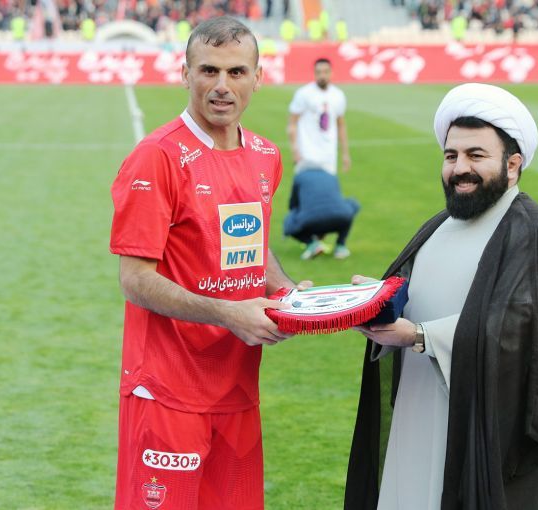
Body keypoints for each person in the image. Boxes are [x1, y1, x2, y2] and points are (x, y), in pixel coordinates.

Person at [344, 83, 538, 510]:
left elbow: (523, 333)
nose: (459, 168)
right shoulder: (437, 226)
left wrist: (420, 337)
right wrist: (374, 302)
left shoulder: (537, 232)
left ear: (513, 165)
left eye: (476, 155)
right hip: (416, 407)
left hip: (483, 428)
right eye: (451, 156)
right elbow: (412, 297)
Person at [109, 17, 309, 510]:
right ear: (186, 74)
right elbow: (135, 280)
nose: (222, 86)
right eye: (209, 71)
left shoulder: (264, 155)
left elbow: (252, 248)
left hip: (237, 389)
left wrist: (289, 296)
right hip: (168, 392)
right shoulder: (156, 157)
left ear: (257, 78)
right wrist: (227, 312)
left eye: (236, 72)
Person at [287, 58, 352, 258]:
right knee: (304, 202)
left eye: (325, 71)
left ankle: (316, 242)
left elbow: (340, 124)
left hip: (328, 157)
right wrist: (295, 150)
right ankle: (311, 240)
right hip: (307, 155)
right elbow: (292, 123)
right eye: (319, 72)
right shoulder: (304, 94)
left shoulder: (338, 96)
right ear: (314, 73)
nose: (322, 75)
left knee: (327, 199)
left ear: (331, 73)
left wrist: (345, 153)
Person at [283, 168, 360, 259]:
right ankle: (340, 246)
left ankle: (312, 244)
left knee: (290, 219)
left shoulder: (299, 177)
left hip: (311, 220)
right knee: (350, 206)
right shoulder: (331, 176)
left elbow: (293, 205)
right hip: (341, 217)